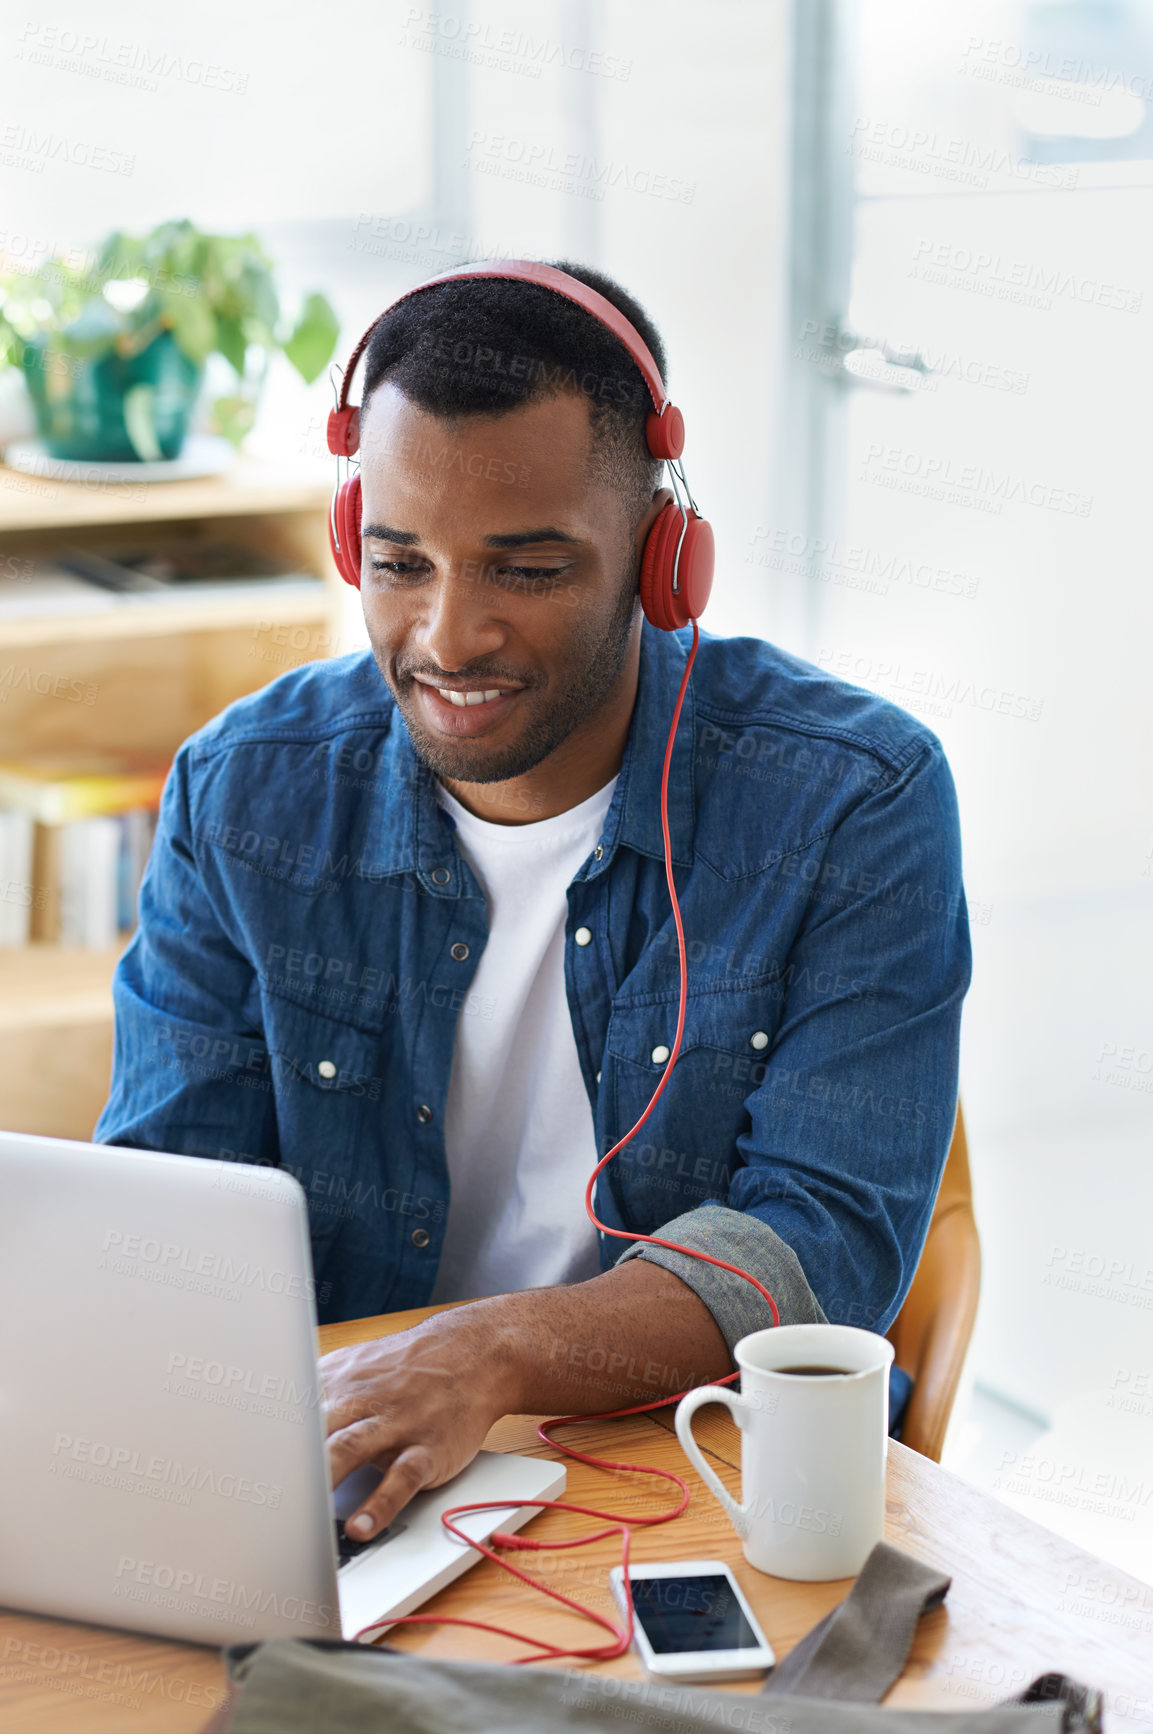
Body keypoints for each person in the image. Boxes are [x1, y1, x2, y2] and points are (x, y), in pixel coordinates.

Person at [96, 261, 971, 1546]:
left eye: (528, 569)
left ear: (661, 559)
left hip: (698, 1469)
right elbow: (173, 1210)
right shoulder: (245, 793)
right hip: (356, 1468)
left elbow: (823, 1243)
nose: (450, 637)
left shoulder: (850, 802)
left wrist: (486, 1357)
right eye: (399, 562)